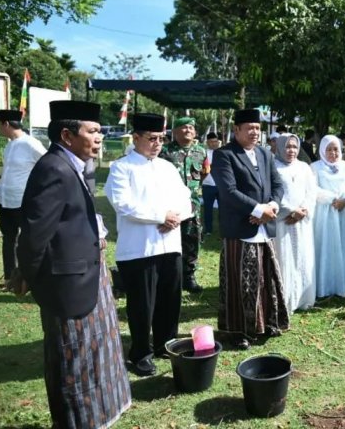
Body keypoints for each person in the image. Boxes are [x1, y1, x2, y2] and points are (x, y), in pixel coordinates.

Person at [17, 100, 131, 428]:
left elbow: (69, 217)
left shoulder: (77, 165)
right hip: (68, 286)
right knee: (75, 362)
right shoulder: (53, 168)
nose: (99, 138)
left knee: (95, 356)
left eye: (99, 131)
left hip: (85, 275)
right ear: (67, 135)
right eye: (92, 131)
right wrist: (28, 274)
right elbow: (35, 234)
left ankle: (98, 416)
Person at [104, 113, 192, 377]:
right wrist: (160, 216)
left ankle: (166, 343)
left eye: (161, 139)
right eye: (152, 138)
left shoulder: (167, 167)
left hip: (170, 242)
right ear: (136, 137)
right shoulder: (122, 167)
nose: (157, 144)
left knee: (170, 298)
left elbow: (185, 197)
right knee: (142, 304)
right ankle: (141, 352)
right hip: (140, 248)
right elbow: (123, 203)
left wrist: (176, 216)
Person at [211, 109, 289, 350]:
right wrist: (257, 210)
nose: (255, 132)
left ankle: (265, 322)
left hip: (264, 228)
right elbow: (229, 191)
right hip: (240, 229)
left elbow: (277, 184)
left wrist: (272, 207)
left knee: (266, 279)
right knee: (240, 282)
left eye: (258, 128)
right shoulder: (225, 155)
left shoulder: (265, 153)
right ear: (237, 131)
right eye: (250, 128)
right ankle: (238, 330)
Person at [0, 109, 46, 289]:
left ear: (6, 124)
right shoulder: (9, 146)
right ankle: (10, 278)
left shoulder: (31, 144)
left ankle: (29, 279)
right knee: (8, 240)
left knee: (27, 241)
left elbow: (49, 165)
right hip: (5, 202)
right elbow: (7, 176)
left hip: (23, 202)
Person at [311, 135, 345, 297]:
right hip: (325, 213)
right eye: (328, 149)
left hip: (343, 211)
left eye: (335, 149)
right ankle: (326, 285)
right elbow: (313, 189)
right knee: (326, 245)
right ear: (322, 150)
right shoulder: (314, 167)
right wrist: (332, 199)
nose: (333, 153)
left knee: (344, 245)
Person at [160, 116, 208, 292]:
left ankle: (189, 277)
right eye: (183, 127)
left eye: (191, 127)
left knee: (192, 241)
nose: (188, 130)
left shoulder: (201, 151)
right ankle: (170, 276)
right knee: (169, 241)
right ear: (174, 131)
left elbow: (204, 173)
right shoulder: (164, 151)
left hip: (192, 205)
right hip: (170, 206)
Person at [273, 134, 317, 312]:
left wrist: (303, 210)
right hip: (283, 220)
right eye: (287, 147)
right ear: (280, 147)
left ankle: (303, 298)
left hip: (302, 222)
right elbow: (271, 194)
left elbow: (311, 192)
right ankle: (286, 299)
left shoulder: (304, 167)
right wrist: (291, 210)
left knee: (302, 258)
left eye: (294, 147)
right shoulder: (272, 167)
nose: (291, 150)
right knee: (284, 258)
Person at [202, 132, 221, 236]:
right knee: (208, 209)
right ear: (207, 142)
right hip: (207, 184)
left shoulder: (223, 152)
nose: (214, 144)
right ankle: (208, 229)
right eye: (212, 142)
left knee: (223, 209)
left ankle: (223, 228)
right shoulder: (204, 153)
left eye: (216, 142)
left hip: (220, 185)